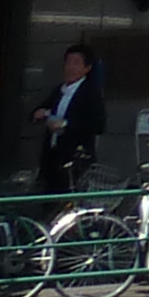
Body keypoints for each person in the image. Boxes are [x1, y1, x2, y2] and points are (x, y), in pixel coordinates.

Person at [39, 46, 108, 191]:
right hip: (52, 156)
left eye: (76, 63)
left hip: (76, 157)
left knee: (69, 199)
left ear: (87, 68)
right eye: (68, 62)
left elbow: (98, 125)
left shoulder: (91, 93)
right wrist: (39, 114)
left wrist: (65, 124)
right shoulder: (59, 90)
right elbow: (43, 108)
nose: (70, 67)